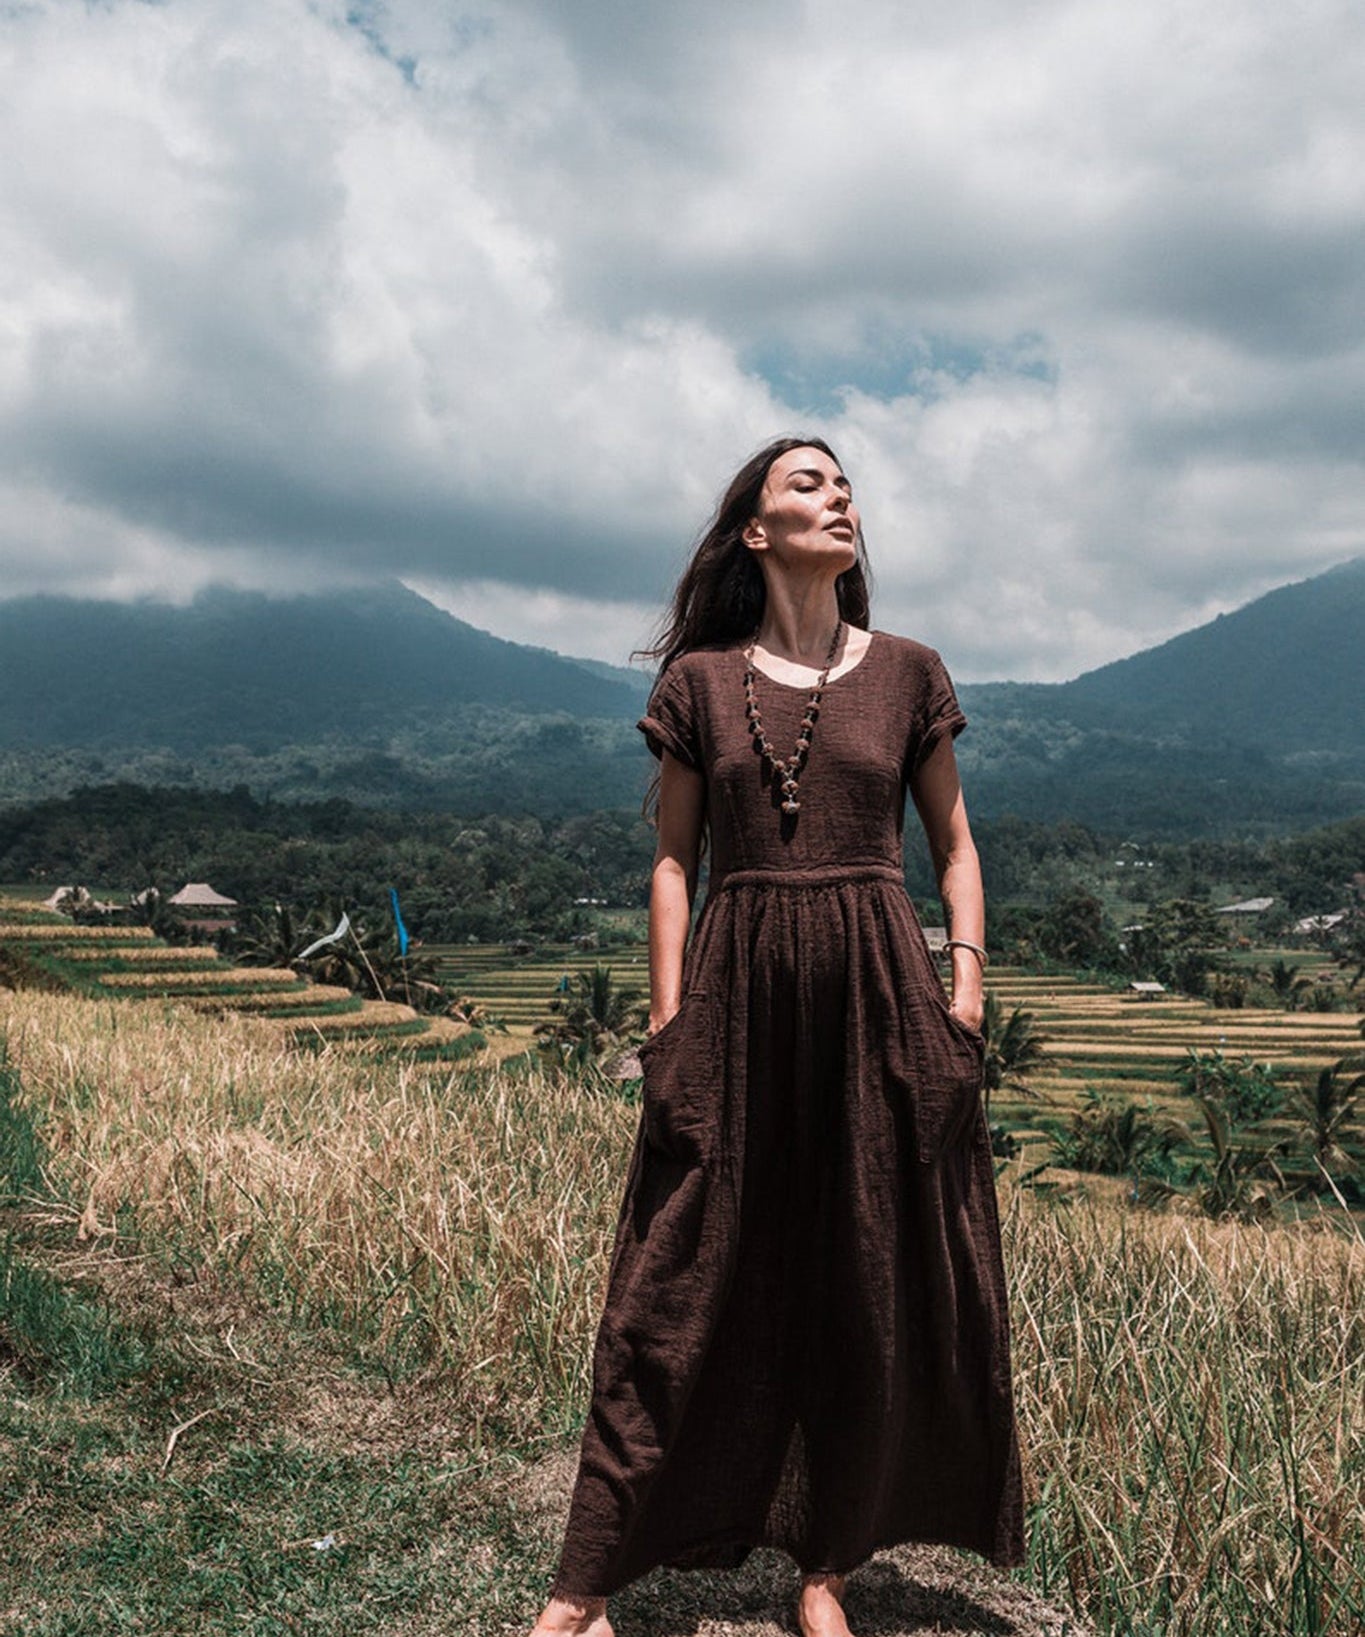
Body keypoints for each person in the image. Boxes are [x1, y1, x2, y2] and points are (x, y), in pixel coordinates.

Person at [529, 437, 1024, 1637]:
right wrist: (667, 1022)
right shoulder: (700, 681)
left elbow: (955, 850)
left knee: (867, 1281)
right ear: (755, 529)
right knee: (669, 1278)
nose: (839, 494)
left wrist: (959, 999)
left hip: (879, 997)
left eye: (844, 482)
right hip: (738, 997)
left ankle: (827, 1569)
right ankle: (581, 1586)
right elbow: (672, 863)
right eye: (809, 482)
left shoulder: (910, 672)